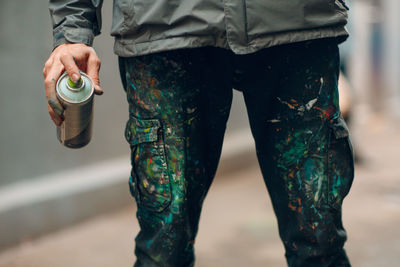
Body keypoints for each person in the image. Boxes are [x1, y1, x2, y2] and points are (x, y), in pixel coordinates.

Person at [43, 0, 354, 266]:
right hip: (165, 27)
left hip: (296, 23)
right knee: (165, 244)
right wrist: (72, 29)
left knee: (319, 240)